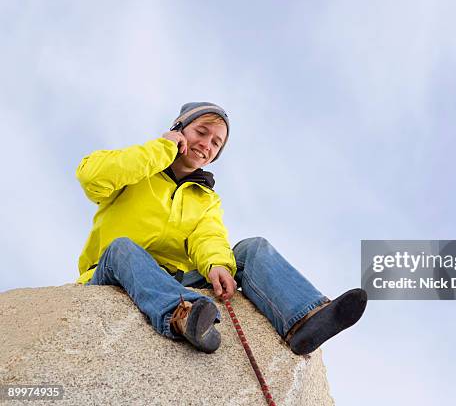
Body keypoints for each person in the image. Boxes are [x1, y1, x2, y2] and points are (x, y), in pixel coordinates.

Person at [75, 102, 367, 355]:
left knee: (250, 248)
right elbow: (93, 177)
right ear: (180, 129)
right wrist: (161, 149)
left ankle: (305, 320)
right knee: (122, 247)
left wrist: (216, 263)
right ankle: (182, 315)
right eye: (201, 132)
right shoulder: (138, 169)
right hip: (114, 270)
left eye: (216, 143)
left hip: (176, 278)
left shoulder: (205, 198)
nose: (207, 144)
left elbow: (208, 236)